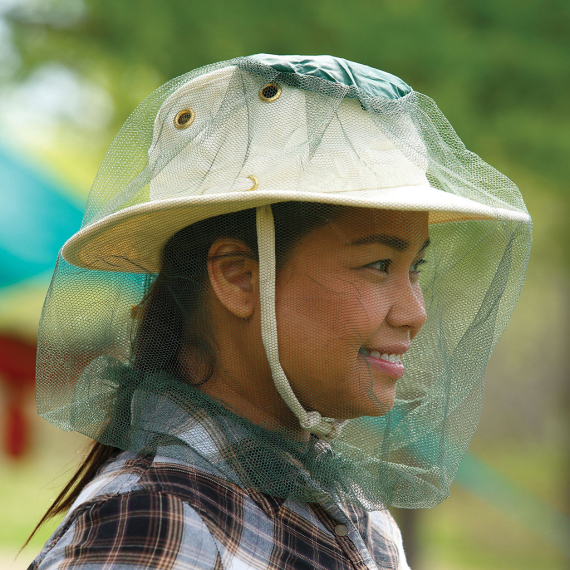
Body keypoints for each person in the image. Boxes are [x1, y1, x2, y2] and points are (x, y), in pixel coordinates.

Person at [28, 55, 531, 569]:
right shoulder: (155, 521)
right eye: (379, 265)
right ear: (239, 278)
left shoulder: (360, 516)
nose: (414, 312)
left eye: (414, 269)